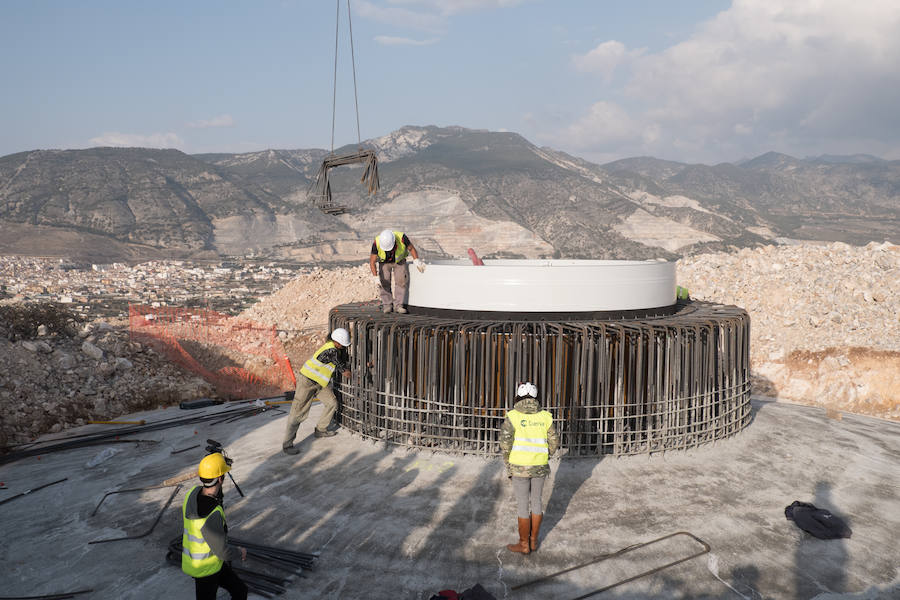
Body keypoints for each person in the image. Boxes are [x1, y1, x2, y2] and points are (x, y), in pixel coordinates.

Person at [499, 382, 559, 554]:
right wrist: (545, 455)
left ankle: (524, 544)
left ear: (517, 397)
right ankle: (533, 541)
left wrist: (509, 465)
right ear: (535, 398)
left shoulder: (512, 416)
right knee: (537, 501)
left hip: (519, 467)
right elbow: (554, 442)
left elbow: (505, 444)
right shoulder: (546, 416)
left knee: (523, 506)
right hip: (539, 466)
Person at [181, 452, 248, 600]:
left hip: (201, 562)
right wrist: (239, 551)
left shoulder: (191, 494)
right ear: (220, 478)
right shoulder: (213, 514)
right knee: (238, 592)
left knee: (240, 591)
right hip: (206, 569)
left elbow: (213, 496)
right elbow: (223, 552)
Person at [282, 327, 352, 454]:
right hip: (307, 382)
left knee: (332, 403)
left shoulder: (334, 348)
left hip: (319, 383)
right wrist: (352, 373)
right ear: (337, 342)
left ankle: (320, 429)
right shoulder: (331, 350)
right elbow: (342, 367)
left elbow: (341, 362)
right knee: (298, 413)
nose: (343, 347)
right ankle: (287, 444)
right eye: (343, 345)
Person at [369, 228, 424, 314]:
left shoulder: (402, 238)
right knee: (384, 281)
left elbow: (411, 248)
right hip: (384, 263)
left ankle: (399, 305)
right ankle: (387, 305)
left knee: (401, 281)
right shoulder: (377, 242)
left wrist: (416, 260)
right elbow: (372, 261)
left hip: (399, 261)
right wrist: (375, 277)